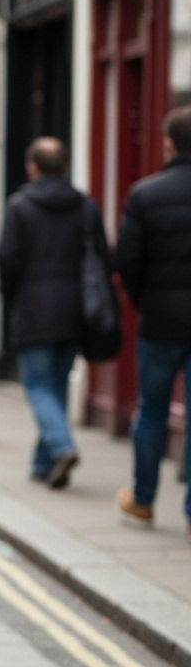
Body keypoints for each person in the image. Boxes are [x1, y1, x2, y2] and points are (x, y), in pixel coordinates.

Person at [0, 137, 109, 489]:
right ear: (64, 167)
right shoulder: (86, 206)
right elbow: (104, 258)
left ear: (32, 167)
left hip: (34, 309)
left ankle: (61, 447)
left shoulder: (19, 206)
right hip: (75, 310)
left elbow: (8, 261)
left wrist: (10, 300)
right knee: (56, 385)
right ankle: (43, 465)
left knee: (38, 386)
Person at [115, 105, 191, 544]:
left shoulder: (146, 194)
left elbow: (128, 262)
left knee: (152, 412)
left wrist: (147, 302)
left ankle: (143, 500)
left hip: (160, 321)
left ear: (168, 143)